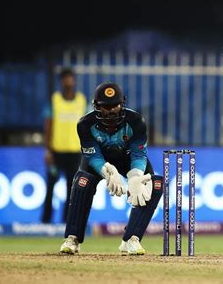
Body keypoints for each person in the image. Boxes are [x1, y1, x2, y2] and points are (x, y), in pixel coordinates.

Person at [59, 82, 163, 255]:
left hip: (128, 159)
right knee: (82, 183)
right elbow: (92, 155)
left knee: (154, 185)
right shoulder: (85, 124)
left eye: (114, 105)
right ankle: (73, 238)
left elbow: (138, 154)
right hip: (99, 161)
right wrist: (107, 170)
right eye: (105, 106)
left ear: (122, 103)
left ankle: (131, 240)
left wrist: (135, 176)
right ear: (96, 105)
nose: (111, 110)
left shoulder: (136, 121)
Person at [42, 68, 86, 223]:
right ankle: (45, 223)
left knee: (72, 190)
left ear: (74, 81)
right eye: (64, 78)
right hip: (56, 152)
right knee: (50, 188)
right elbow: (48, 127)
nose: (68, 81)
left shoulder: (81, 100)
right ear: (61, 81)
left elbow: (86, 126)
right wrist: (47, 151)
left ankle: (67, 222)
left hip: (75, 153)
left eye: (70, 78)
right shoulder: (55, 100)